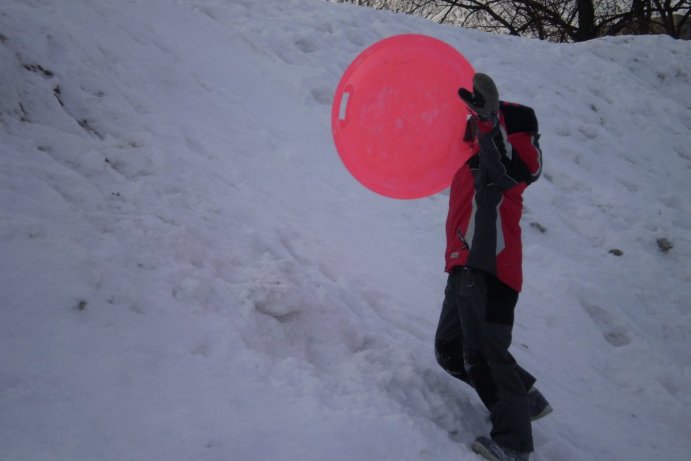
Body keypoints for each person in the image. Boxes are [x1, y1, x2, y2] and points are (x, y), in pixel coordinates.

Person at [434, 73, 551, 461]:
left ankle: (514, 444)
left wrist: (488, 124)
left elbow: (508, 165)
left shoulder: (503, 170)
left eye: (481, 122)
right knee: (450, 350)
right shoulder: (470, 167)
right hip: (463, 267)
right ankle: (524, 400)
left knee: (484, 354)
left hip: (490, 266)